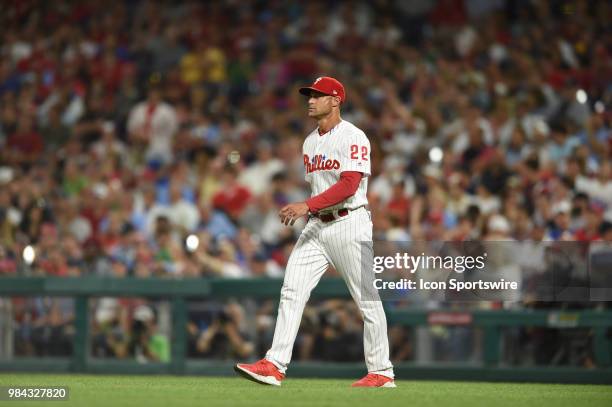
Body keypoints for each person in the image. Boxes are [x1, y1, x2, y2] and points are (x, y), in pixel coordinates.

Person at [234, 77, 395, 388]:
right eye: (309, 95)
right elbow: (323, 188)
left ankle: (382, 371)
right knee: (291, 290)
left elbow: (349, 185)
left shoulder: (354, 136)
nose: (310, 100)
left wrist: (306, 205)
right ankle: (274, 364)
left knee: (366, 299)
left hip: (350, 222)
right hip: (317, 225)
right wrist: (310, 209)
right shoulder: (309, 142)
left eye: (318, 95)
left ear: (336, 100)